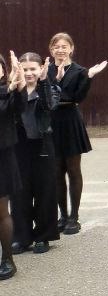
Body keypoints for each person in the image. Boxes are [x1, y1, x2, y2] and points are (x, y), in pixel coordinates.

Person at [48, 32, 108, 235]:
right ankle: (62, 216)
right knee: (56, 172)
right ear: (51, 49)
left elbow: (78, 97)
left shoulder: (80, 71)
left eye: (65, 46)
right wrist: (55, 79)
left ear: (71, 49)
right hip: (52, 123)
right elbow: (46, 95)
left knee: (73, 170)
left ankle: (74, 217)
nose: (60, 49)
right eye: (56, 46)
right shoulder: (45, 69)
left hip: (71, 121)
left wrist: (89, 76)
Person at [11, 52, 61, 255]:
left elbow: (50, 106)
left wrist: (44, 83)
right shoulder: (12, 90)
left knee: (45, 191)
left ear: (41, 69)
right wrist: (16, 85)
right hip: (19, 146)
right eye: (25, 69)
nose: (29, 73)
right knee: (19, 193)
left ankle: (43, 236)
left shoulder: (50, 89)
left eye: (33, 68)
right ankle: (21, 237)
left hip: (42, 146)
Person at [0, 56, 22, 280]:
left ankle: (7, 259)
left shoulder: (9, 92)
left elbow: (19, 106)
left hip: (2, 159)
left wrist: (17, 87)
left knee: (1, 212)